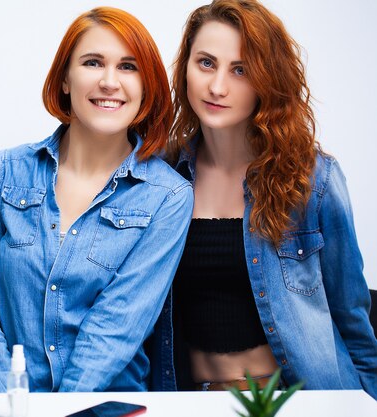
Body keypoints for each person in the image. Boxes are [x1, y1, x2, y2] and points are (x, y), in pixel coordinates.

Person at [147, 0, 377, 398]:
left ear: (267, 81)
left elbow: (353, 323)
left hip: (297, 402)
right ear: (185, 66)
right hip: (189, 401)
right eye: (205, 63)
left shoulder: (313, 179)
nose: (218, 86)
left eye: (241, 70)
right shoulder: (159, 177)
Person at [0, 7, 193, 392]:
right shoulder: (1, 174)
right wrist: (9, 404)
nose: (109, 81)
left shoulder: (168, 197)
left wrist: (57, 411)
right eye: (92, 62)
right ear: (65, 79)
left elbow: (116, 327)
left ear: (147, 86)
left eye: (128, 67)